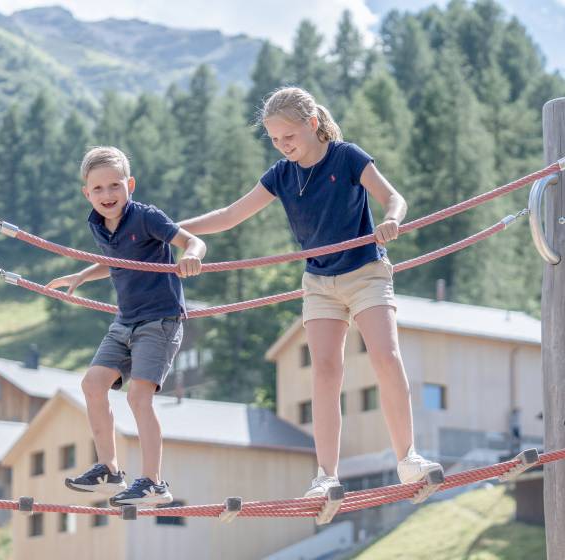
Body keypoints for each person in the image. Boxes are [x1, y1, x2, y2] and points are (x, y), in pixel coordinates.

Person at [178, 87, 442, 497]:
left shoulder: (347, 156)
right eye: (275, 140)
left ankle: (408, 458)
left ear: (312, 124)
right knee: (324, 372)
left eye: (290, 138)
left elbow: (393, 197)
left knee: (385, 356)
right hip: (319, 282)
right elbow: (230, 215)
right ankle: (326, 476)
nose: (284, 147)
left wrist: (391, 218)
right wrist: (175, 231)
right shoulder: (281, 175)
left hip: (366, 271)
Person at [46, 146, 206, 506]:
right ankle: (109, 469)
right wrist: (83, 274)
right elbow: (115, 261)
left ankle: (153, 481)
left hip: (159, 320)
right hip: (125, 320)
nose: (107, 195)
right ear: (87, 194)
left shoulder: (147, 217)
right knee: (92, 384)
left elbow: (192, 240)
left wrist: (191, 256)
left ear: (129, 185)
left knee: (138, 396)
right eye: (98, 189)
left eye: (115, 186)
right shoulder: (98, 223)